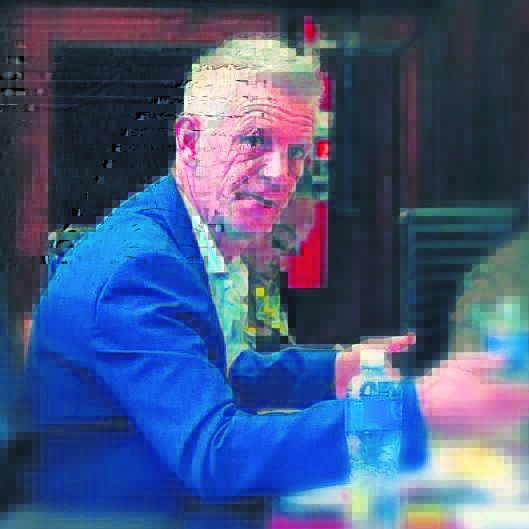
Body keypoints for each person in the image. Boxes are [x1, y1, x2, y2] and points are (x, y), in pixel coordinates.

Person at [23, 35, 529, 523]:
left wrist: (335, 371)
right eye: (254, 140)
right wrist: (415, 409)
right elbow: (217, 455)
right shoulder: (141, 269)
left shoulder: (177, 232)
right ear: (190, 141)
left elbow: (211, 376)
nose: (279, 174)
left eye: (297, 152)